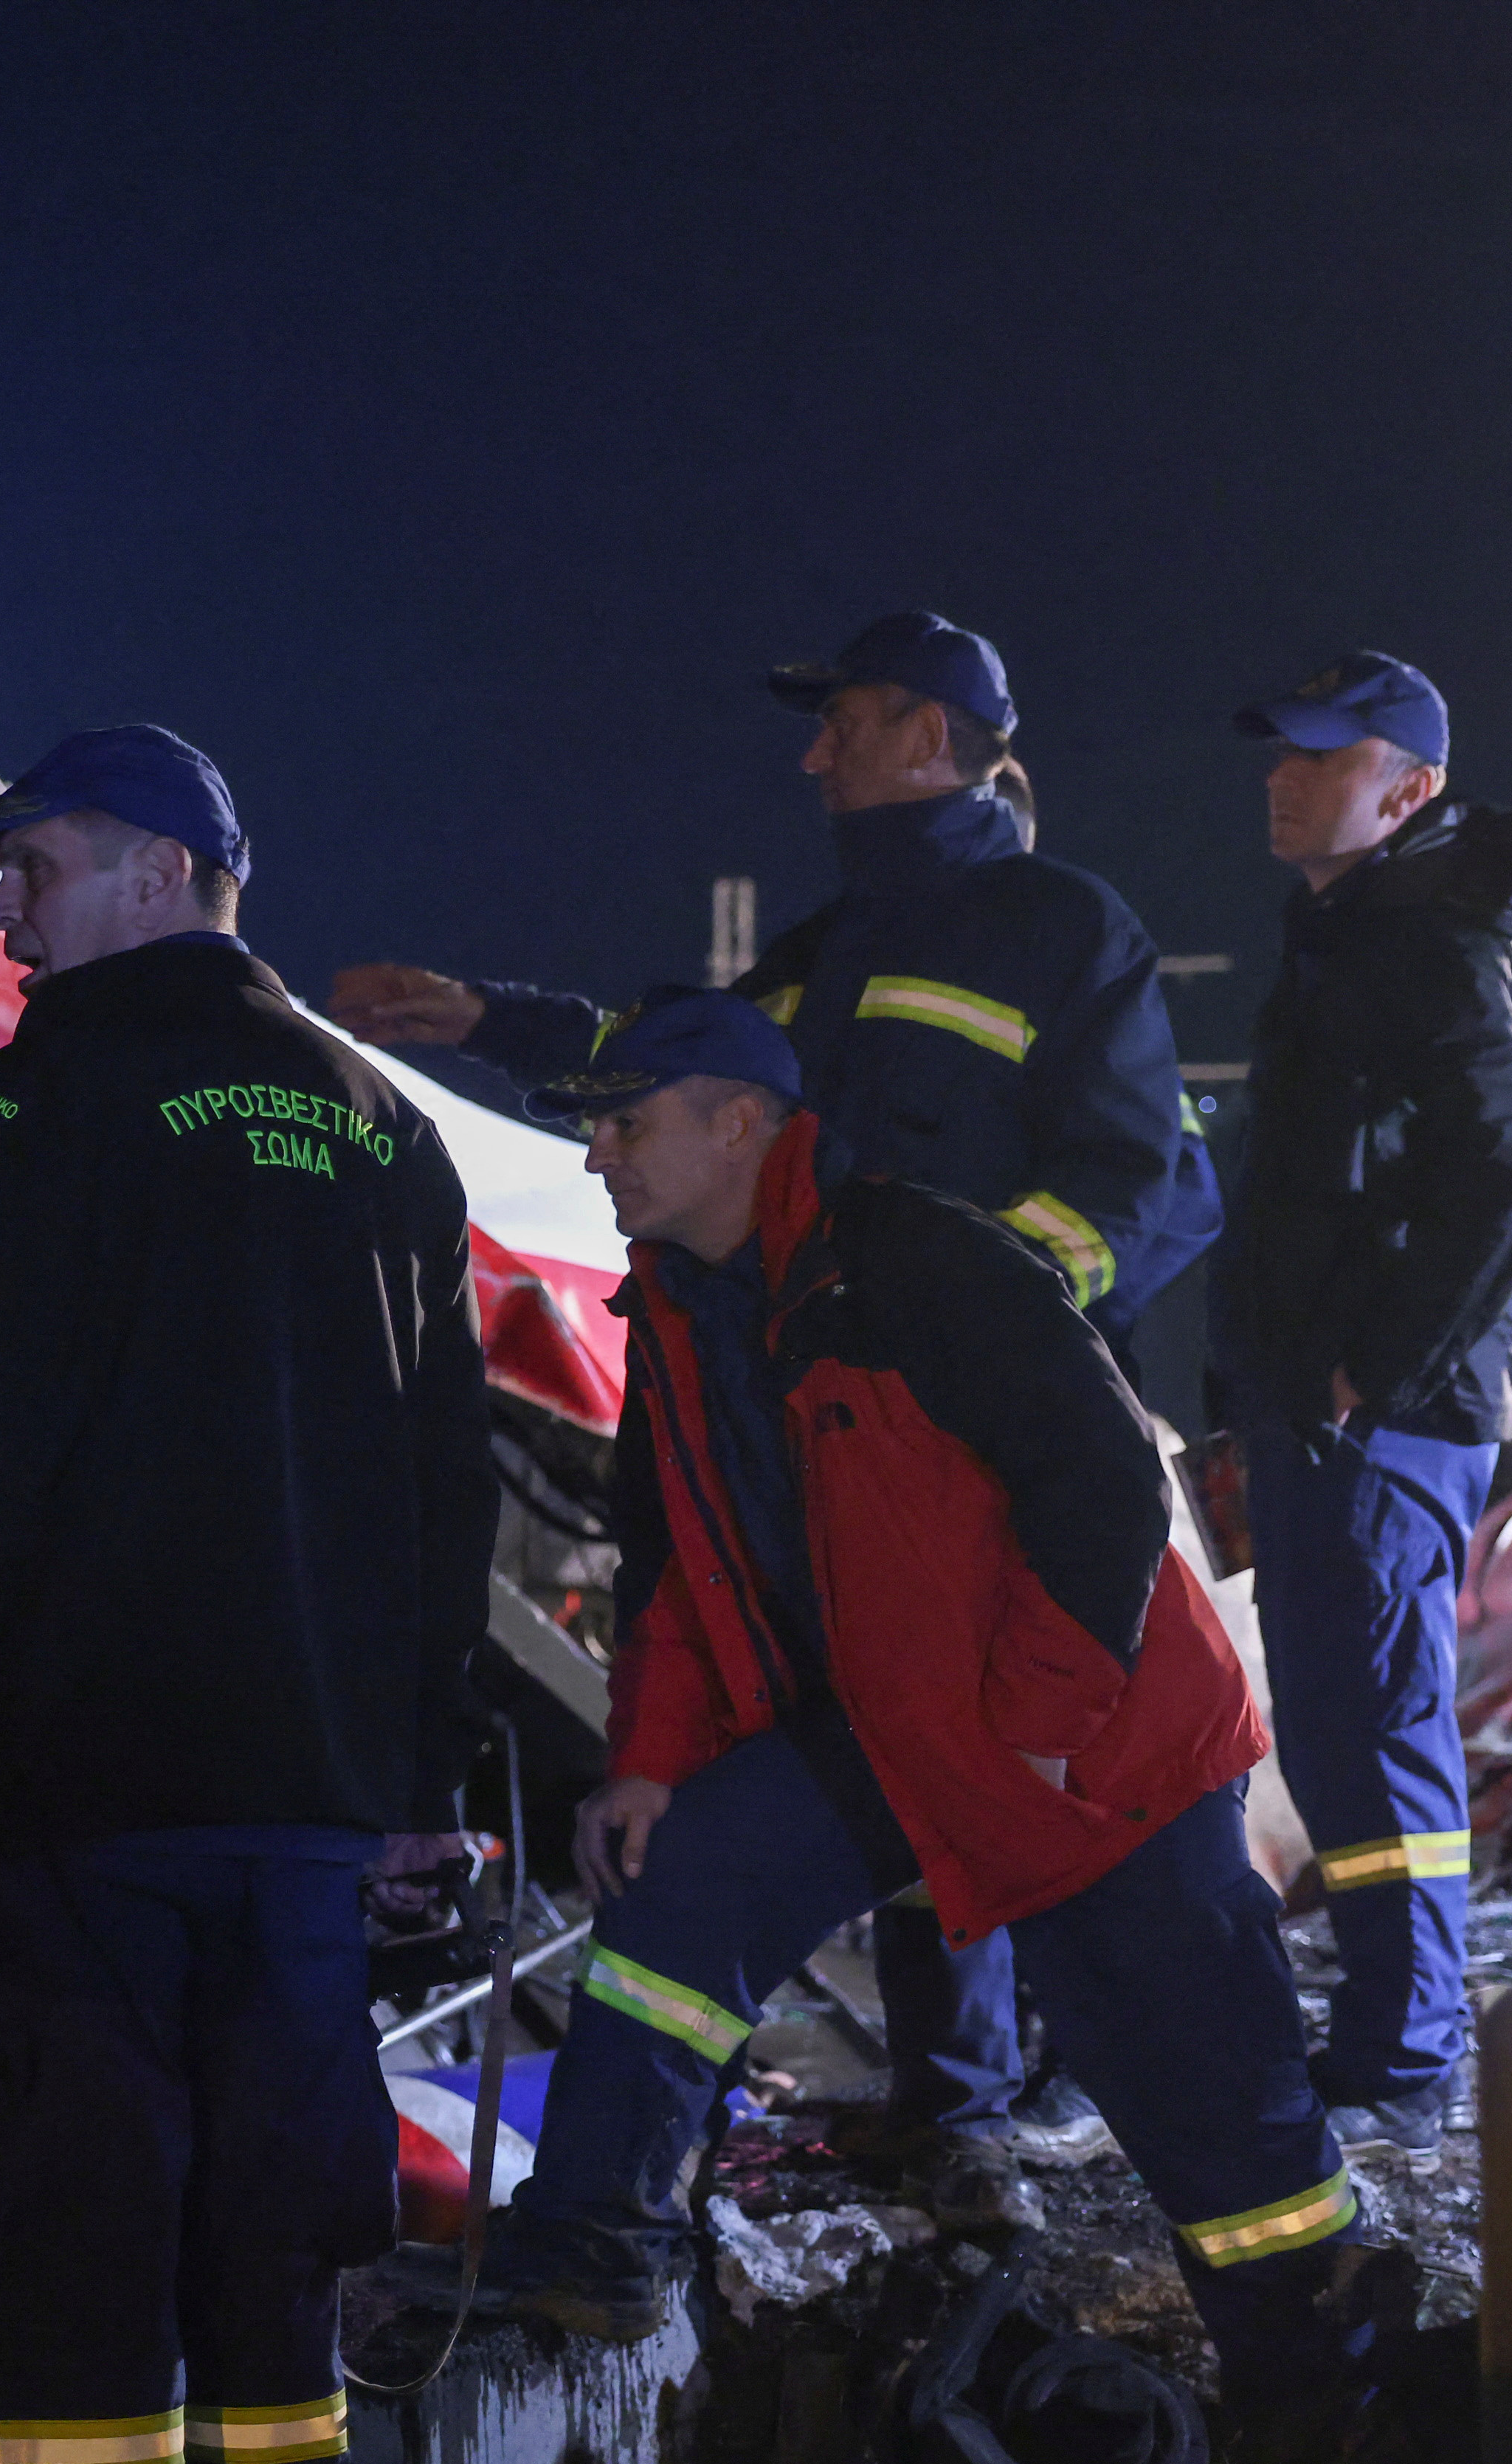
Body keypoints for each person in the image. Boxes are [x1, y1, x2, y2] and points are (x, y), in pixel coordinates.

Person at [332, 614, 1217, 2226]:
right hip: (818, 1431)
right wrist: (490, 1020)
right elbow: (674, 1066)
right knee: (877, 1725)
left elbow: (1146, 1186)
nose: (817, 757)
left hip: (987, 1439)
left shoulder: (1062, 930)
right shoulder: (822, 956)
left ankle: (1040, 2093)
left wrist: (983, 1326)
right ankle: (947, 2102)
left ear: (940, 736)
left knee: (995, 1730)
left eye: (852, 724)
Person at [0, 723, 495, 2464]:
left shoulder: (38, 1106)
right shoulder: (386, 1126)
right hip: (305, 1812)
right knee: (274, 2252)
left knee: (70, 2247)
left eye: (25, 867)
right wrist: (409, 1771)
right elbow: (443, 1485)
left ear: (153, 868)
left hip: (75, 1797)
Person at [472, 990, 1362, 2429]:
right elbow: (673, 1582)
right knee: (683, 1875)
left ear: (738, 1120)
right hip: (899, 1729)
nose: (597, 1160)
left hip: (1097, 1735)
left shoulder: (919, 1259)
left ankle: (1319, 2380)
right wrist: (642, 1764)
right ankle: (598, 2241)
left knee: (1202, 2080)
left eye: (627, 1123)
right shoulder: (680, 1320)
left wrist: (1039, 1723)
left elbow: (1104, 1486)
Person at [1211, 653, 1512, 2163]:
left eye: (1318, 757)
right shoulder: (1352, 934)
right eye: (1278, 755)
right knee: (1341, 1731)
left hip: (1384, 1417)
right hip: (1326, 1404)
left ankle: (1407, 2053)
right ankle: (1380, 2030)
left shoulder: (1429, 944)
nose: (1282, 778)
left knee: (1379, 1727)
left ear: (1405, 789)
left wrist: (1383, 1373)